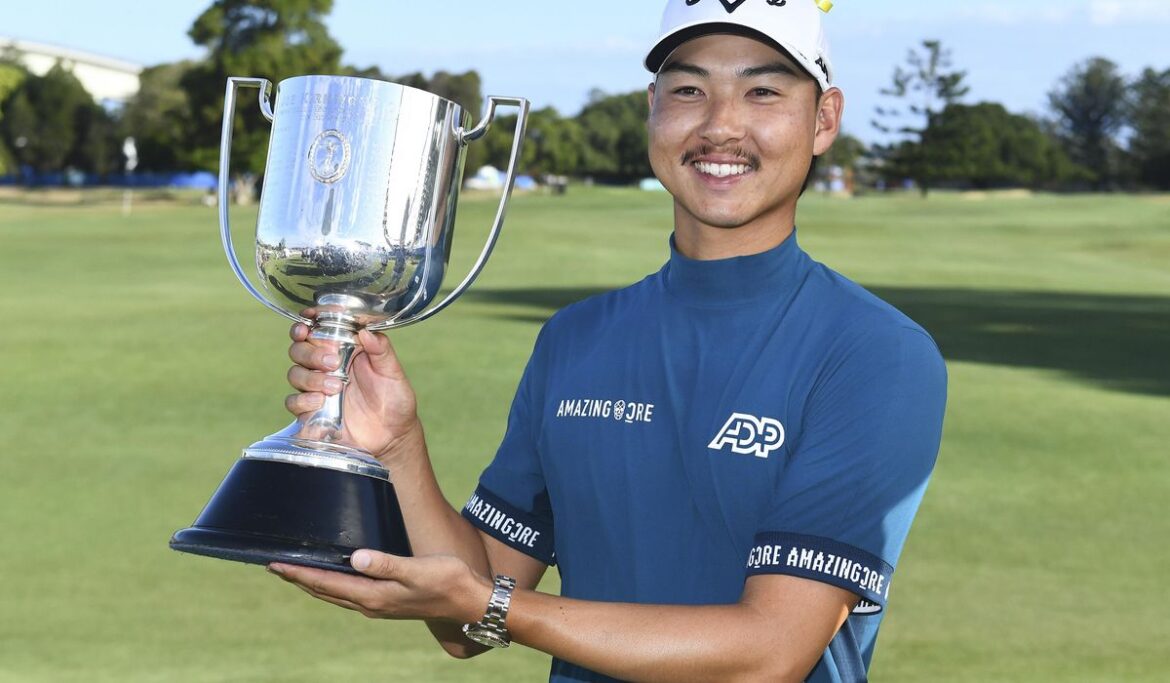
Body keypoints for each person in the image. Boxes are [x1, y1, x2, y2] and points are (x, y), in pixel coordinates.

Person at [271, 1, 947, 681]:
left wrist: (495, 603)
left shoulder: (875, 353)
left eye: (762, 91)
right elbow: (465, 619)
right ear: (652, 108)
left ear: (823, 118)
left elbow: (770, 650)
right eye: (688, 90)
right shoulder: (576, 338)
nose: (720, 125)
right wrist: (399, 446)